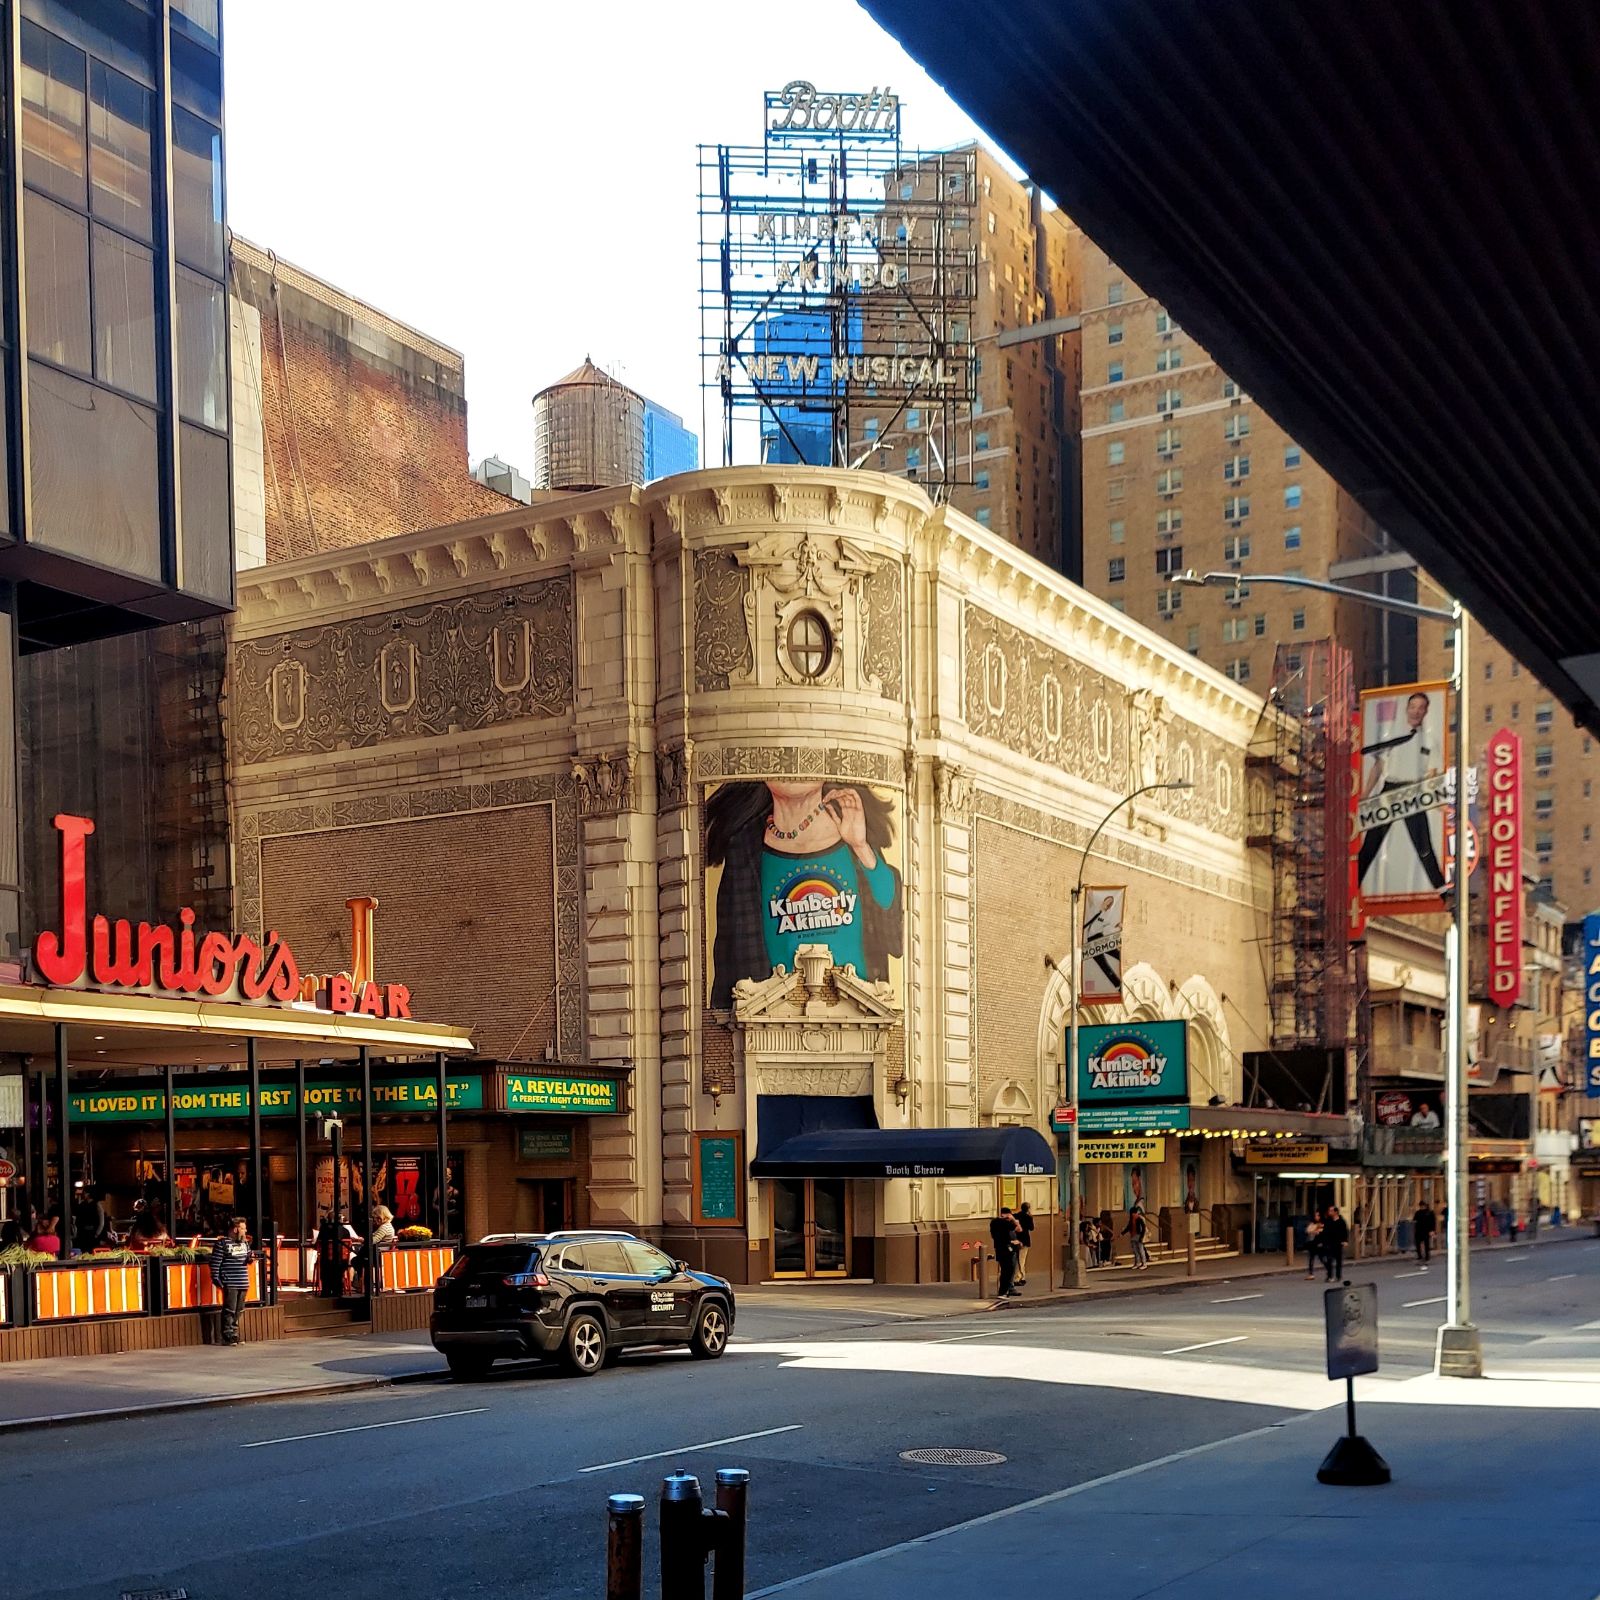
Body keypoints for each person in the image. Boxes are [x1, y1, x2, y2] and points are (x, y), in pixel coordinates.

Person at [705, 780, 903, 1009]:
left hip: (860, 1017)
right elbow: (728, 958)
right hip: (772, 1026)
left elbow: (895, 937)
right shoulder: (743, 847)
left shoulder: (854, 833)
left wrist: (861, 846)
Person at [1357, 690, 1447, 893]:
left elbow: (1432, 774)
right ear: (1407, 709)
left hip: (1413, 792)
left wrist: (1436, 800)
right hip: (1389, 791)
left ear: (1425, 712)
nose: (1416, 711)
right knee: (1371, 844)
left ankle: (1443, 892)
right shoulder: (1392, 736)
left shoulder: (1429, 741)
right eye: (1413, 707)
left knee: (1424, 845)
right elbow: (1378, 767)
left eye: (1421, 708)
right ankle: (1350, 889)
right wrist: (1365, 795)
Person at [210, 1217, 255, 1346]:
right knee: (229, 1309)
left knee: (239, 1309)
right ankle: (227, 1334)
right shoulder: (222, 1244)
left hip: (243, 1280)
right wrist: (216, 1278)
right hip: (230, 1281)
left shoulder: (244, 1243)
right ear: (236, 1229)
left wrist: (250, 1258)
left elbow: (248, 1258)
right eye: (243, 1228)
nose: (245, 1231)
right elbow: (215, 1263)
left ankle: (234, 1333)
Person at [349, 1204, 396, 1290]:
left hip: (378, 1255)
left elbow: (373, 1240)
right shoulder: (387, 1226)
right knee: (359, 1259)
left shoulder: (384, 1227)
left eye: (376, 1218)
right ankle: (361, 1282)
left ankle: (361, 1282)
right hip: (379, 1253)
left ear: (381, 1217)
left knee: (356, 1261)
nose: (375, 1220)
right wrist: (363, 1239)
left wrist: (361, 1240)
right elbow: (373, 1237)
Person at [989, 1205, 1021, 1298]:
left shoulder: (993, 1222)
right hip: (1007, 1249)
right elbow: (1017, 1227)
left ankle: (1004, 1291)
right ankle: (1003, 1291)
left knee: (1004, 1270)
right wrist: (1013, 1219)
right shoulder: (1004, 1223)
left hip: (999, 1248)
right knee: (1008, 1271)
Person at [1320, 1204, 1349, 1283]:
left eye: (1331, 1211)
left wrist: (1345, 1240)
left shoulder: (1341, 1221)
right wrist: (1323, 1242)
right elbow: (1325, 1232)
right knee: (1329, 1260)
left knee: (1338, 1261)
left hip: (1338, 1243)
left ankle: (1338, 1276)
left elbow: (1344, 1232)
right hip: (1329, 1243)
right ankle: (1330, 1276)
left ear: (1336, 1212)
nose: (1329, 1212)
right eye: (1329, 1211)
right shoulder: (1328, 1221)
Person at [1124, 1203, 1150, 1270]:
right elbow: (1128, 1227)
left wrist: (1141, 1237)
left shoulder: (1139, 1219)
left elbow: (1143, 1228)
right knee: (1135, 1250)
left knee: (1141, 1250)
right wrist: (1122, 1233)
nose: (1133, 1215)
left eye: (1133, 1213)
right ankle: (1137, 1263)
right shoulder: (1131, 1220)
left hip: (1139, 1235)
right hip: (1133, 1235)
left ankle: (1144, 1263)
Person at [1014, 1202, 1034, 1286]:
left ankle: (1021, 1276)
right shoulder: (1028, 1217)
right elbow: (1031, 1228)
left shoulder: (1016, 1216)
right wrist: (1031, 1217)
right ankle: (1019, 1278)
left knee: (1016, 1259)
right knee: (1021, 1259)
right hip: (1024, 1240)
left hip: (1016, 1239)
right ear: (1028, 1209)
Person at [1413, 1200, 1437, 1266]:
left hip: (1427, 1231)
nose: (1421, 1207)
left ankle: (1427, 1258)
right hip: (1419, 1231)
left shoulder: (1429, 1212)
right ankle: (1420, 1257)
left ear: (1425, 1206)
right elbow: (1414, 1220)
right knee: (1418, 1245)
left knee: (1426, 1245)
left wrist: (1432, 1231)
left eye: (1422, 1206)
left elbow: (1433, 1222)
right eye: (1420, 1206)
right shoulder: (1418, 1212)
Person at [1305, 1210, 1324, 1280]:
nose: (1316, 1217)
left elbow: (1323, 1231)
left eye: (1318, 1215)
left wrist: (1317, 1230)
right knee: (1311, 1258)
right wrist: (1315, 1229)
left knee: (1322, 1258)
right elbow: (1308, 1230)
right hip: (1312, 1243)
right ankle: (1311, 1273)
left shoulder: (1323, 1224)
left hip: (1320, 1244)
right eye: (1315, 1215)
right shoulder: (1313, 1224)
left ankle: (1329, 1270)